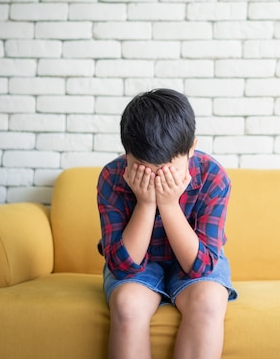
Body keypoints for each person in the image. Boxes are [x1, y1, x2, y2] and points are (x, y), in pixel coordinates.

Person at [97, 88, 237, 359]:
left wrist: (170, 205)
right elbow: (123, 266)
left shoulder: (213, 177)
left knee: (208, 302)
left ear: (191, 149)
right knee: (127, 305)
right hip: (141, 264)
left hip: (194, 259)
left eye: (167, 169)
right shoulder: (112, 178)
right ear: (127, 155)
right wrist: (146, 203)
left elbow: (201, 265)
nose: (156, 178)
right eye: (143, 169)